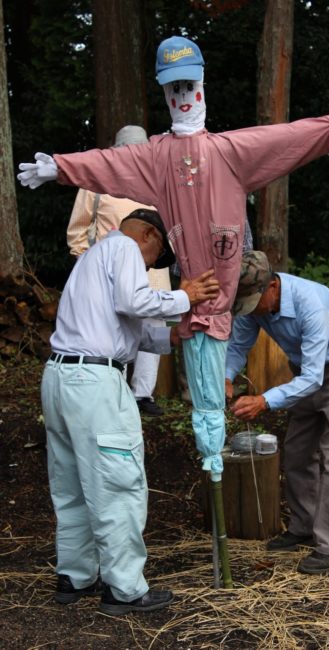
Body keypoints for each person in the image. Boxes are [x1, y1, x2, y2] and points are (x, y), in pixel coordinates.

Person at [17, 35, 329, 480]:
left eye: (190, 87)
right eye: (174, 90)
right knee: (202, 400)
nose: (183, 98)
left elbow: (277, 140)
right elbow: (110, 164)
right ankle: (210, 459)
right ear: (164, 93)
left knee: (209, 394)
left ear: (202, 87)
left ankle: (214, 461)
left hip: (216, 296)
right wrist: (62, 167)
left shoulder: (228, 150)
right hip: (187, 299)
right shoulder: (155, 157)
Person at [42, 207, 219, 614]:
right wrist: (184, 296)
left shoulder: (90, 258)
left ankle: (75, 575)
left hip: (60, 377)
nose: (152, 266)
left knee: (70, 483)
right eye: (156, 258)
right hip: (95, 386)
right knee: (116, 484)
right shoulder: (123, 247)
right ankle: (124, 589)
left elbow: (126, 328)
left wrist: (172, 337)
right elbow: (133, 301)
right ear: (148, 235)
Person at [225, 251, 329, 575]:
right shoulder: (255, 304)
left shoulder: (311, 303)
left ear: (272, 287)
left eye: (251, 301)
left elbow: (313, 378)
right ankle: (304, 526)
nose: (248, 310)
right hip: (306, 374)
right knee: (296, 452)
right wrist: (226, 375)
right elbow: (238, 346)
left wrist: (264, 400)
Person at [67, 125, 169, 417]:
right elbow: (78, 229)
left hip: (153, 271)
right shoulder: (95, 183)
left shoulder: (157, 183)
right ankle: (114, 387)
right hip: (108, 271)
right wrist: (85, 263)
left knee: (153, 324)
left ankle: (142, 394)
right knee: (112, 325)